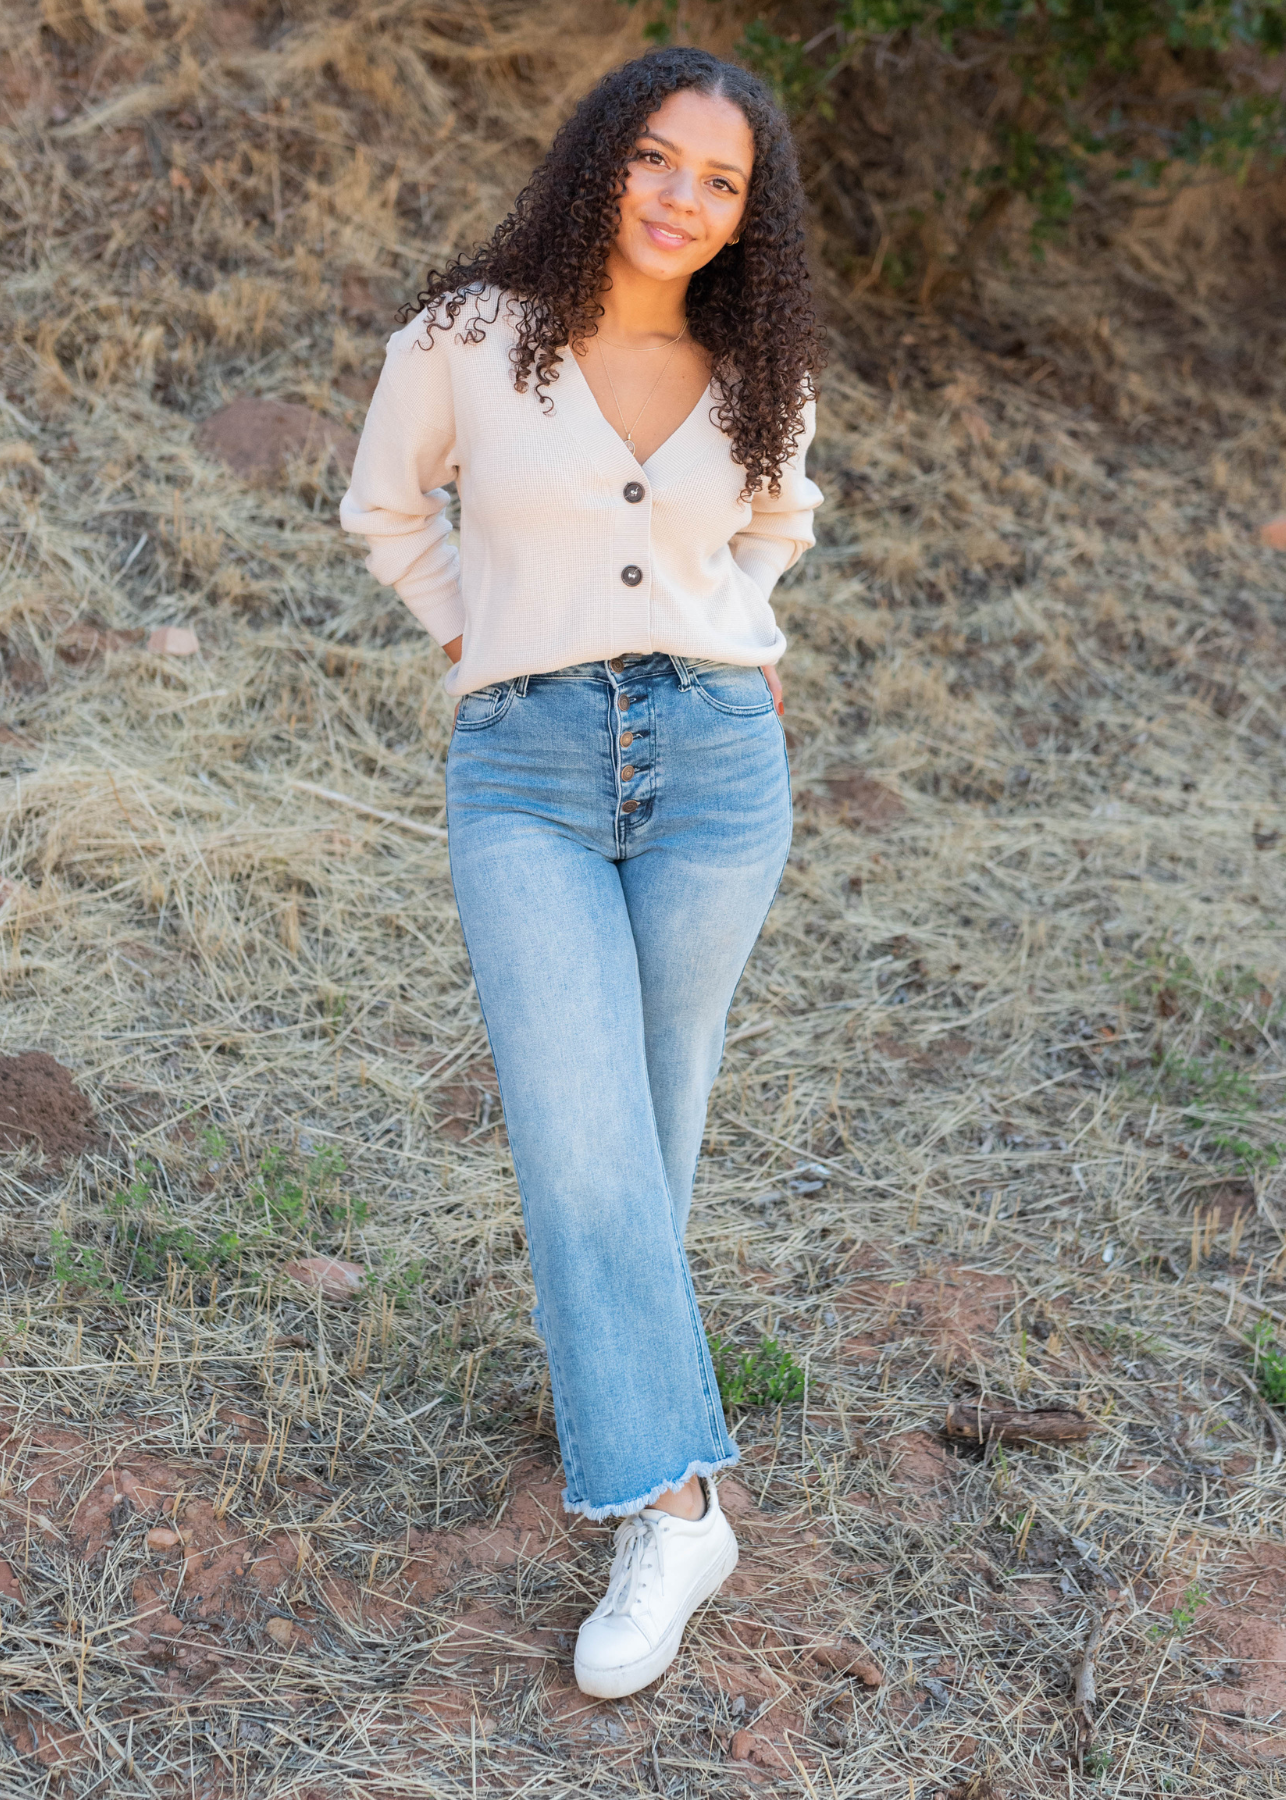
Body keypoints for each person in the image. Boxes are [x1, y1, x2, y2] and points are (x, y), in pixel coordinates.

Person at [341, 44, 823, 1700]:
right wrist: (482, 637)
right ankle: (679, 1503)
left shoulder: (754, 359)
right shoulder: (465, 338)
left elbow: (775, 527)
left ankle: (618, 1413)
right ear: (599, 158)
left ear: (747, 212)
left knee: (653, 1116)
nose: (684, 199)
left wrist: (738, 639)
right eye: (658, 160)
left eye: (721, 179)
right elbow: (384, 510)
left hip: (713, 771)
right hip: (526, 773)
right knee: (573, 1123)